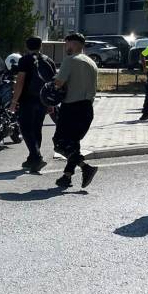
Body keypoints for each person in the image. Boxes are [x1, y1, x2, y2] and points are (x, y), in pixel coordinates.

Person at [51, 33, 99, 189]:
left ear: (77, 44)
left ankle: (86, 167)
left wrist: (52, 84)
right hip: (87, 109)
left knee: (59, 143)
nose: (66, 47)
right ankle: (67, 177)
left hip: (71, 107)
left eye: (68, 44)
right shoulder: (92, 63)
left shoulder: (70, 60)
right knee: (73, 143)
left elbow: (58, 83)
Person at [9, 37, 55, 174]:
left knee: (25, 128)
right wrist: (51, 102)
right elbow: (53, 83)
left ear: (26, 46)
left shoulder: (24, 60)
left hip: (27, 100)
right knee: (37, 128)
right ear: (41, 46)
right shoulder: (49, 60)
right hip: (42, 99)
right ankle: (32, 159)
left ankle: (36, 157)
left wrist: (14, 101)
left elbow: (20, 81)